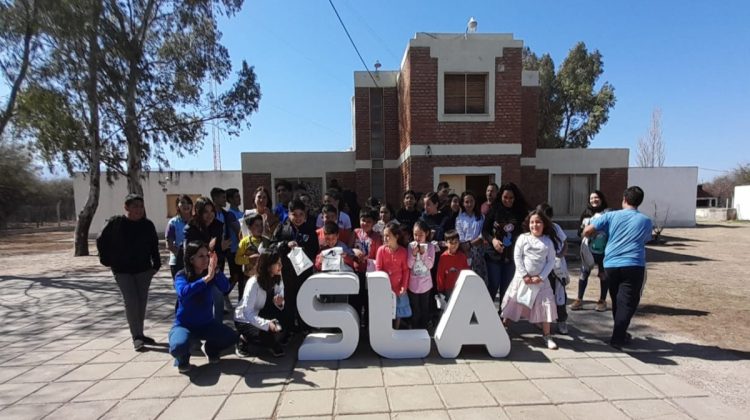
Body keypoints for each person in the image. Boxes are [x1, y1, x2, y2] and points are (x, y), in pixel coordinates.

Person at [583, 186, 653, 349]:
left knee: (617, 300)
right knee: (628, 302)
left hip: (611, 264)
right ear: (639, 201)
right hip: (634, 264)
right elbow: (646, 239)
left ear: (624, 199)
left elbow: (587, 231)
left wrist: (599, 236)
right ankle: (617, 337)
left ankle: (620, 333)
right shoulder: (645, 220)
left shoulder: (610, 216)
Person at [97, 193, 161, 351]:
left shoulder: (148, 225)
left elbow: (154, 246)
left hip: (144, 270)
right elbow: (100, 240)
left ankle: (140, 332)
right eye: (135, 206)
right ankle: (136, 337)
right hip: (122, 271)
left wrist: (156, 265)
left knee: (141, 302)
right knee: (131, 301)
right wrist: (106, 260)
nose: (139, 210)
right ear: (126, 207)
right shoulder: (115, 223)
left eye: (141, 206)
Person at [169, 241, 237, 372]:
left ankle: (211, 349)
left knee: (232, 337)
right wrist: (205, 279)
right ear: (191, 259)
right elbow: (183, 292)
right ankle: (183, 358)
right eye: (201, 256)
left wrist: (216, 270)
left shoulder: (211, 273)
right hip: (184, 325)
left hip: (206, 324)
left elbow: (225, 288)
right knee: (178, 346)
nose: (205, 259)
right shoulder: (181, 275)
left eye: (207, 256)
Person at [501, 210, 559, 350]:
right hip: (523, 279)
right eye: (532, 222)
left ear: (544, 224)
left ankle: (547, 335)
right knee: (513, 303)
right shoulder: (523, 238)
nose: (535, 225)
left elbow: (551, 261)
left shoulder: (548, 242)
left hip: (541, 282)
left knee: (545, 306)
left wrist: (540, 277)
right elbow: (517, 257)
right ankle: (504, 328)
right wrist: (525, 275)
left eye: (538, 222)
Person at [273, 199, 319, 332]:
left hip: (304, 272)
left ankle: (305, 326)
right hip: (286, 272)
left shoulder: (310, 229)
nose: (298, 218)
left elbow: (315, 249)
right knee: (289, 301)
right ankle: (289, 329)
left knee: (304, 299)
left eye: (301, 214)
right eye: (294, 214)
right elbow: (272, 245)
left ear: (305, 215)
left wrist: (302, 250)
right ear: (288, 214)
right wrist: (285, 245)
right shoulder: (282, 227)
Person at [483, 182, 530, 309]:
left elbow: (527, 232)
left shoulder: (520, 213)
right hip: (494, 255)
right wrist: (493, 241)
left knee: (507, 287)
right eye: (505, 197)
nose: (508, 200)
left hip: (512, 255)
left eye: (511, 198)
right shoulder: (494, 209)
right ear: (500, 196)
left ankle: (502, 315)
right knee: (493, 285)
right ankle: (486, 312)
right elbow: (485, 230)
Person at [234, 250, 287, 358]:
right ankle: (243, 339)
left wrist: (280, 302)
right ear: (268, 266)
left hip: (262, 312)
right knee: (268, 336)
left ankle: (271, 340)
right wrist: (267, 324)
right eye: (277, 263)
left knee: (283, 327)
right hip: (245, 319)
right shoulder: (253, 283)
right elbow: (247, 312)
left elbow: (281, 294)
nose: (280, 266)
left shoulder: (277, 277)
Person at [184, 196, 227, 322]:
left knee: (218, 295)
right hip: (196, 271)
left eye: (212, 211)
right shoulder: (191, 228)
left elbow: (218, 250)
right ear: (198, 212)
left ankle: (216, 327)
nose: (210, 215)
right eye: (205, 212)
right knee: (197, 300)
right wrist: (209, 247)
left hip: (213, 268)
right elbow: (189, 253)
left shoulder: (218, 226)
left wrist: (218, 251)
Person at [572, 190, 610, 311]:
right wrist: (584, 231)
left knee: (603, 275)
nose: (594, 200)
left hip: (604, 250)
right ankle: (579, 299)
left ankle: (602, 301)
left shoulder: (607, 213)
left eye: (596, 197)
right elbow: (579, 232)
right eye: (591, 198)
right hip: (588, 249)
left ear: (601, 198)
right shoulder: (586, 213)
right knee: (584, 274)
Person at [537, 203, 570, 335]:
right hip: (542, 267)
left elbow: (565, 243)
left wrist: (560, 255)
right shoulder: (536, 229)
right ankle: (544, 321)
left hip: (556, 267)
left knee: (559, 295)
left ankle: (562, 320)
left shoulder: (556, 228)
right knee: (543, 296)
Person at [376, 222, 411, 329]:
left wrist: (403, 287)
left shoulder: (403, 252)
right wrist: (383, 286)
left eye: (388, 236)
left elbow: (405, 270)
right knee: (386, 309)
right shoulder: (381, 250)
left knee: (398, 310)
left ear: (396, 236)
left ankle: (396, 328)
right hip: (386, 287)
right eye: (384, 236)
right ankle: (386, 328)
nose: (385, 238)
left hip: (398, 286)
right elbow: (379, 268)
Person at [352, 208, 383, 324]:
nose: (365, 223)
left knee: (368, 300)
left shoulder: (376, 236)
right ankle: (356, 324)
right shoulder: (355, 232)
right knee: (356, 299)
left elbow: (379, 255)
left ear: (374, 223)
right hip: (356, 271)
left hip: (370, 273)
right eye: (363, 220)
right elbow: (347, 248)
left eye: (368, 221)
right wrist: (354, 250)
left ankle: (370, 325)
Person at [407, 220, 436, 330]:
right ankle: (415, 328)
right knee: (415, 309)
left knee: (424, 308)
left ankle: (424, 329)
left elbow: (430, 265)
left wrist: (423, 254)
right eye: (415, 234)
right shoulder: (410, 246)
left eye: (421, 235)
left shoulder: (431, 246)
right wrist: (414, 255)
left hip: (425, 285)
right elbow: (409, 265)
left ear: (426, 234)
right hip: (413, 284)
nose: (417, 238)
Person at [235, 212, 270, 301]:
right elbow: (237, 259)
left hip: (263, 278)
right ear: (250, 228)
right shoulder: (244, 242)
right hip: (248, 277)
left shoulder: (267, 241)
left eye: (261, 225)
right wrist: (248, 259)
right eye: (256, 225)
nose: (260, 228)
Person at [455, 190, 487, 283]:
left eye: (471, 201)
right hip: (464, 251)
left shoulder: (481, 217)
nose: (469, 204)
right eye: (466, 202)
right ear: (463, 203)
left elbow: (482, 234)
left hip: (478, 251)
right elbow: (460, 235)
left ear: (475, 202)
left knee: (479, 279)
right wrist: (466, 247)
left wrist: (471, 244)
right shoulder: (459, 218)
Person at [436, 229, 470, 302]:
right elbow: (440, 275)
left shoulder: (462, 256)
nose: (454, 245)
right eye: (451, 243)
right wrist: (440, 289)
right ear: (446, 243)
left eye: (456, 242)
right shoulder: (443, 257)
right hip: (448, 288)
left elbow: (467, 272)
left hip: (460, 287)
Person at [166, 194, 193, 279]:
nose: (186, 205)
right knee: (181, 289)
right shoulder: (173, 223)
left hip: (194, 261)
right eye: (183, 203)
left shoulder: (196, 221)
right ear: (178, 206)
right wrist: (182, 256)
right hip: (177, 261)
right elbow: (169, 245)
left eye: (188, 203)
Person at [225, 188, 245, 296]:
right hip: (234, 251)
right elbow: (239, 231)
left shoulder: (242, 213)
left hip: (242, 250)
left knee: (241, 277)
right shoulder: (230, 214)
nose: (239, 198)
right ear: (230, 199)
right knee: (236, 277)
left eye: (239, 196)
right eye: (236, 196)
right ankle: (223, 293)